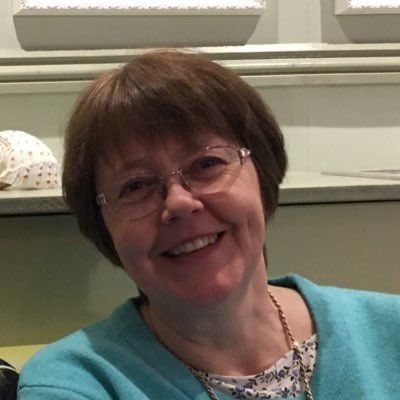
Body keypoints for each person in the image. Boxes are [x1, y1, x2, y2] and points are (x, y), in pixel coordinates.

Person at [18, 50, 400, 400]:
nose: (180, 203)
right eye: (136, 186)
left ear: (262, 172)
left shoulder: (390, 330)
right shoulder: (75, 383)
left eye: (207, 164)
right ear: (103, 227)